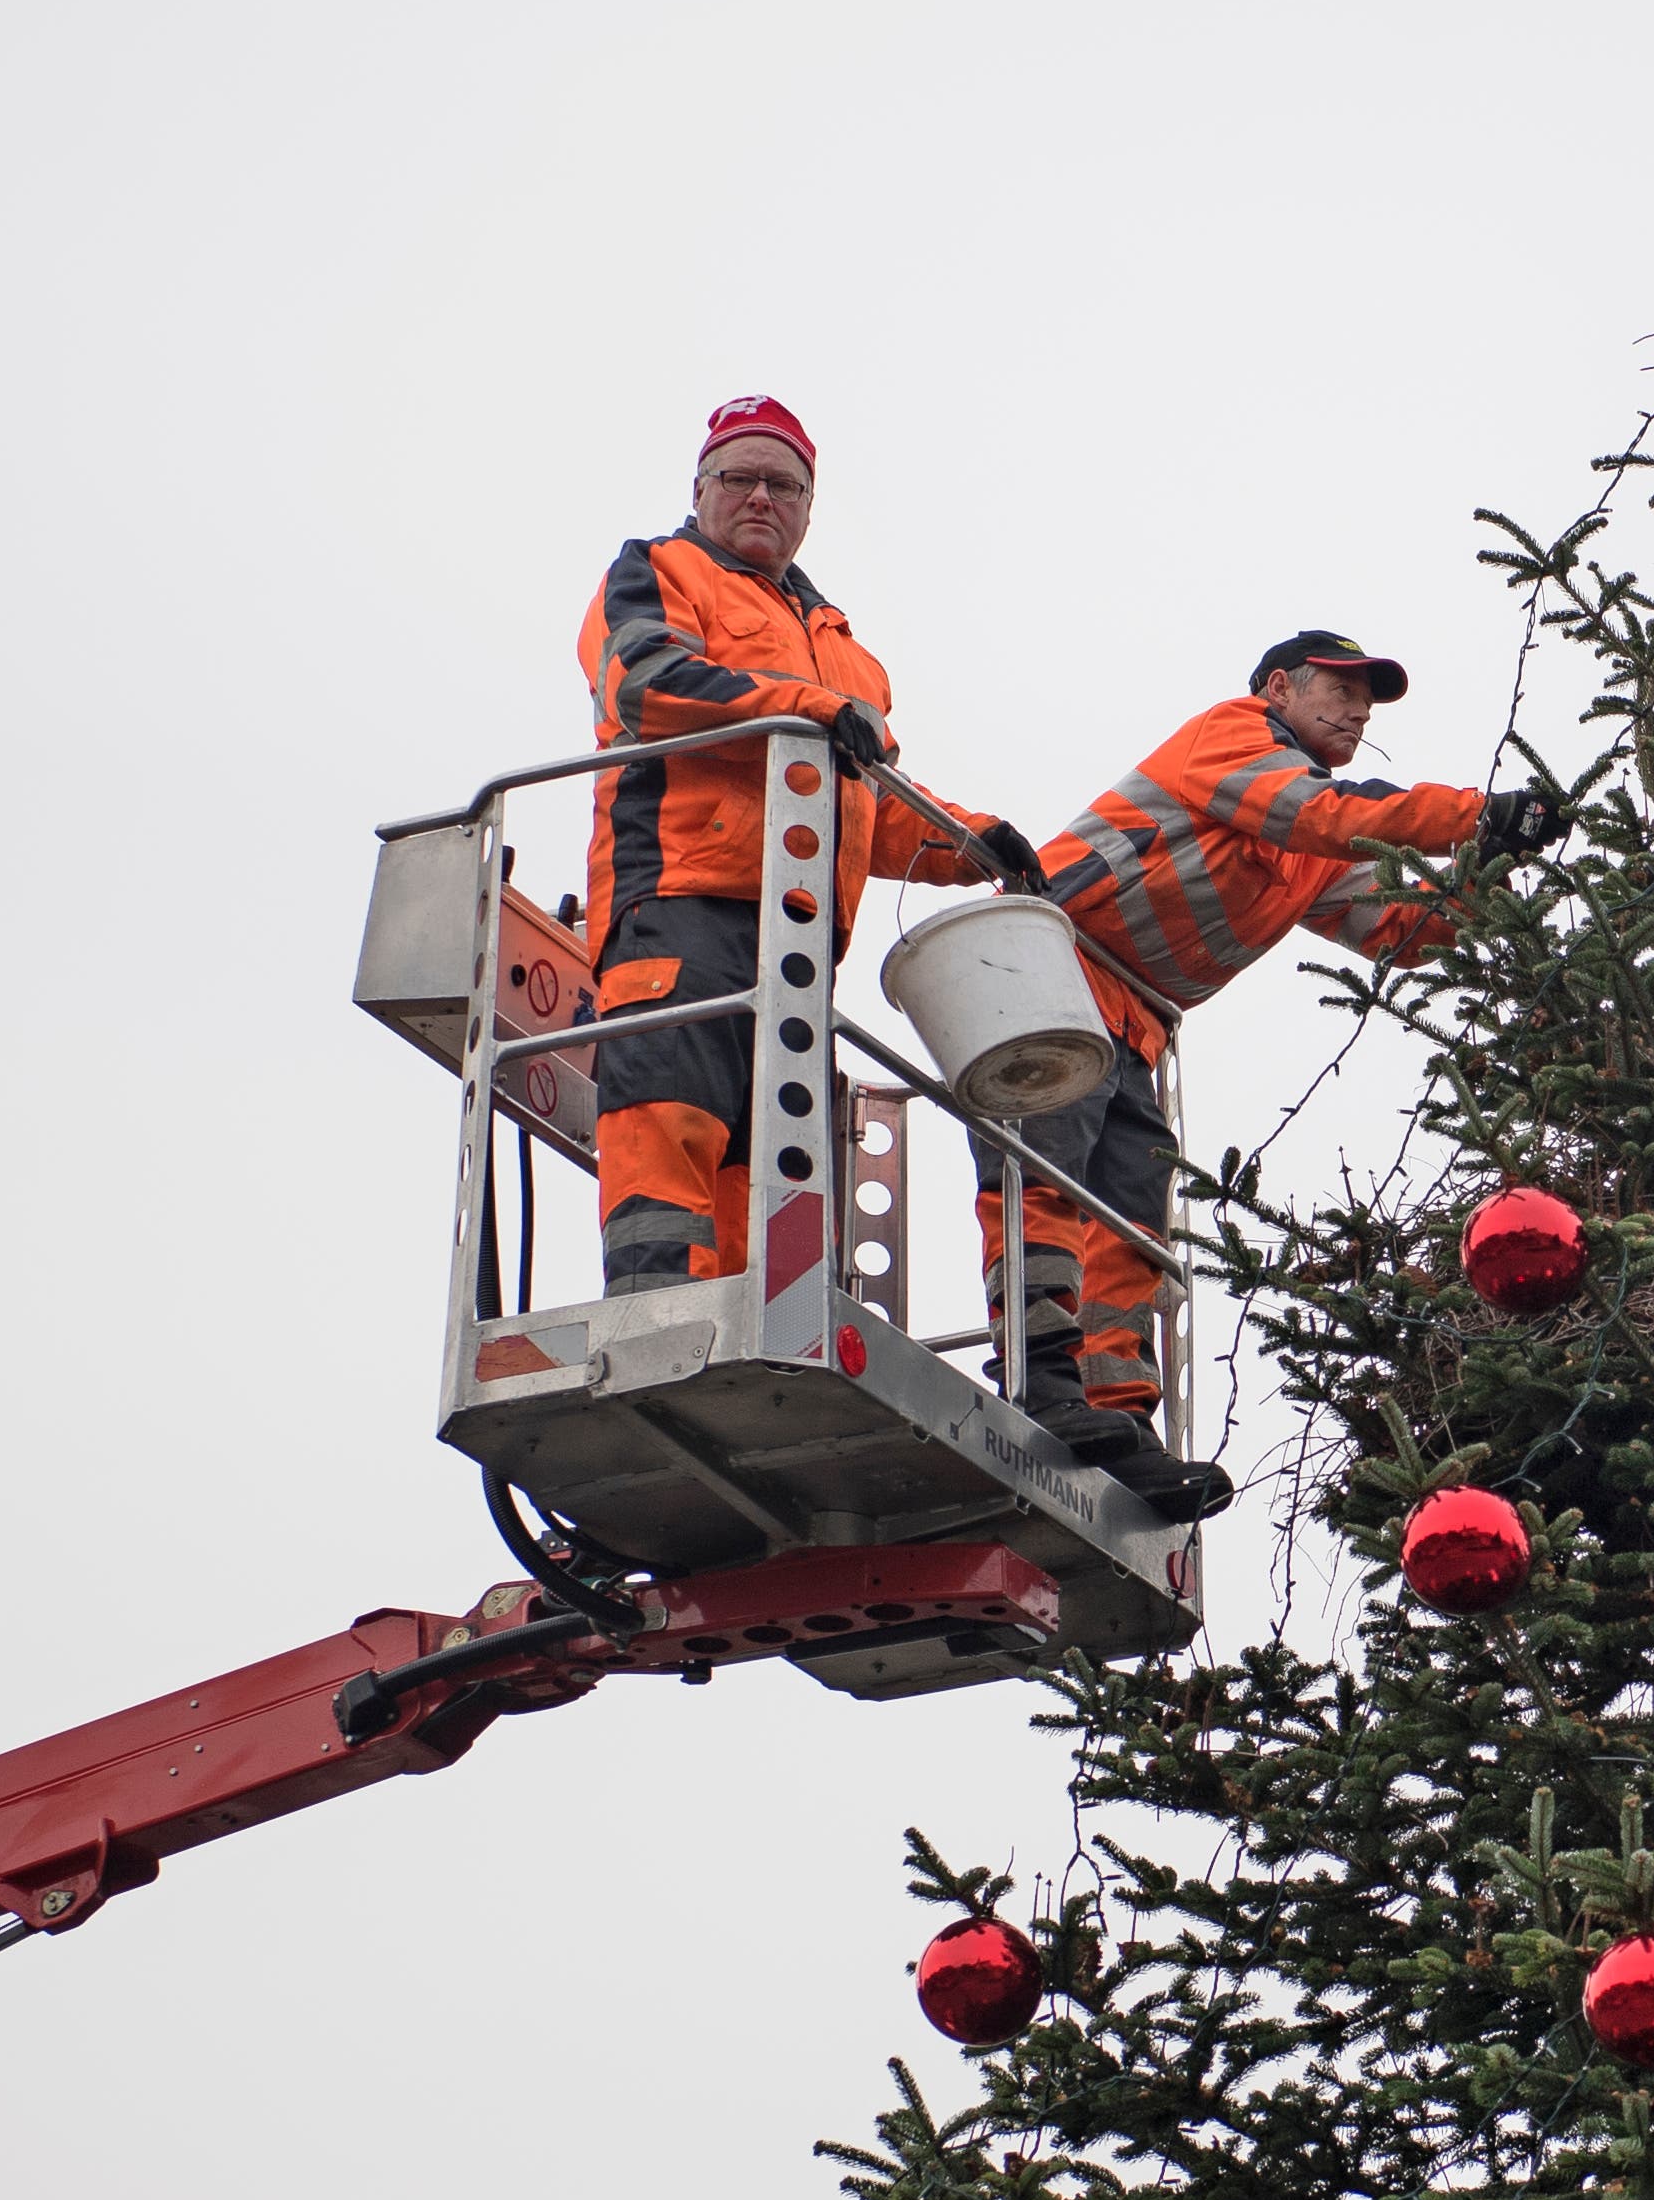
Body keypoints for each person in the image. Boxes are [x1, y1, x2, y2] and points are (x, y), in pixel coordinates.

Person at [1001, 628, 1566, 1514]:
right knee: (1050, 1182)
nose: (1357, 711)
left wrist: (1488, 864)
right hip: (1042, 965)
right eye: (1337, 691)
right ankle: (1041, 1381)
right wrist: (1474, 812)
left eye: (1365, 701)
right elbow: (1319, 813)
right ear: (1276, 690)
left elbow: (1402, 929)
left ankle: (1115, 1417)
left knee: (1132, 1219)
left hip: (1128, 1012)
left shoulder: (1308, 844)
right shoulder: (1234, 738)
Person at [579, 395, 1037, 1291]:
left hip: (798, 939)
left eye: (782, 484)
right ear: (701, 487)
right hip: (682, 902)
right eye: (740, 479)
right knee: (670, 1116)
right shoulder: (658, 569)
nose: (760, 497)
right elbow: (647, 684)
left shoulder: (841, 649)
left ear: (808, 507)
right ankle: (655, 1308)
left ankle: (754, 1335)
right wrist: (807, 708)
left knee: (773, 1164)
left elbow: (870, 807)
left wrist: (970, 844)